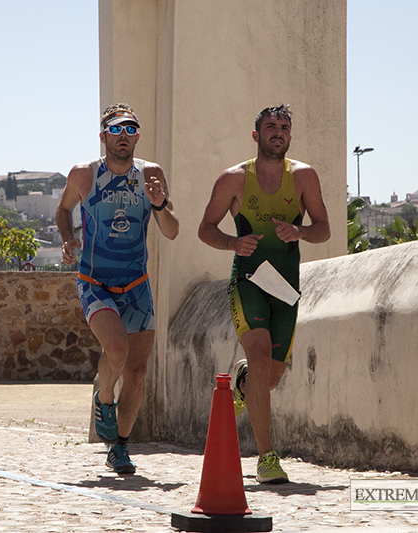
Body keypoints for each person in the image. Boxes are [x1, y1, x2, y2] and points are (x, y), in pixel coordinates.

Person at [198, 103, 330, 483]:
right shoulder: (234, 179)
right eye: (270, 126)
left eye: (284, 126)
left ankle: (242, 381)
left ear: (290, 136)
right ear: (256, 135)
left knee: (267, 379)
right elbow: (205, 228)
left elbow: (324, 228)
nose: (278, 131)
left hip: (285, 288)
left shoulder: (304, 177)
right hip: (248, 283)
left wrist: (301, 232)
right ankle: (266, 457)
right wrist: (231, 243)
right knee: (258, 360)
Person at [56, 103, 179, 474]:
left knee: (138, 374)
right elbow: (64, 211)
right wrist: (67, 239)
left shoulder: (151, 174)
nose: (123, 136)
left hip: (136, 285)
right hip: (95, 282)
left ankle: (120, 447)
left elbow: (172, 230)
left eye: (130, 129)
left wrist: (159, 204)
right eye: (116, 129)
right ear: (103, 136)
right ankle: (104, 396)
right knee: (117, 348)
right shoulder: (84, 175)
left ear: (137, 136)